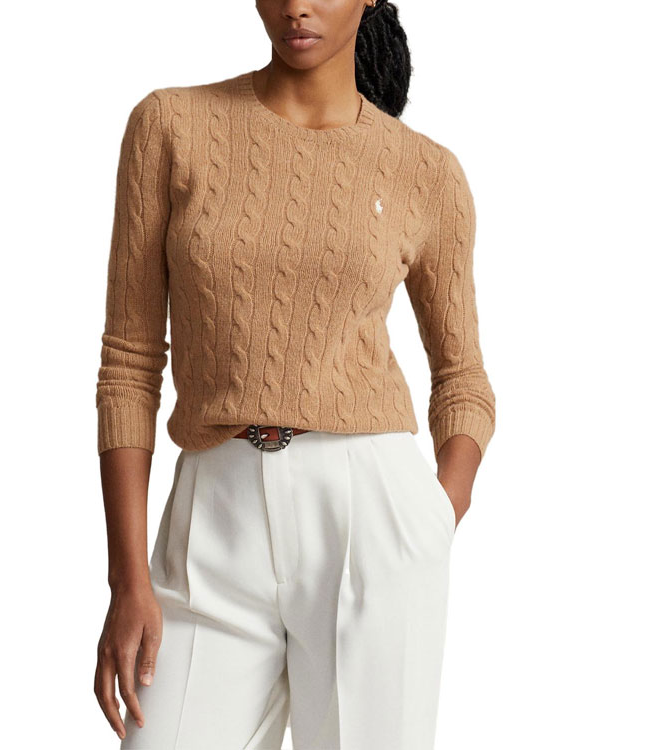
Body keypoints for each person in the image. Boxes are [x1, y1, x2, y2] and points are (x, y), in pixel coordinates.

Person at [93, 1, 496, 748]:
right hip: (213, 512)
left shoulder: (425, 171)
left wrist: (435, 517)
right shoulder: (169, 127)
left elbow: (463, 377)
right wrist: (127, 581)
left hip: (371, 518)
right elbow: (129, 362)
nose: (296, 6)